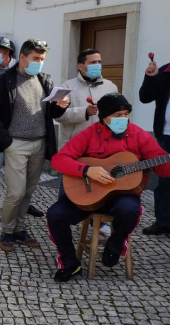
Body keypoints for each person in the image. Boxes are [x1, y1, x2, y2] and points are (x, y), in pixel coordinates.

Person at [47, 93, 170, 282]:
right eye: (118, 115)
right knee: (55, 214)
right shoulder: (90, 133)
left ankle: (116, 242)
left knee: (130, 209)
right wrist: (87, 170)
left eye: (126, 114)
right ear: (104, 118)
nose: (124, 119)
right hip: (90, 194)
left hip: (123, 195)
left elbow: (162, 166)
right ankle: (70, 263)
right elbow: (58, 160)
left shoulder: (139, 135)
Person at [0, 39, 70, 253]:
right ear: (22, 57)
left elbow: (52, 114)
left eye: (42, 59)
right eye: (35, 59)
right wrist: (7, 142)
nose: (39, 63)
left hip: (39, 143)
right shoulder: (5, 81)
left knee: (29, 191)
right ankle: (6, 231)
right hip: (16, 144)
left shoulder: (45, 80)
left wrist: (60, 107)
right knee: (16, 192)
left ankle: (20, 229)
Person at [0, 36, 43, 218]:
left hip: (23, 129)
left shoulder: (22, 68)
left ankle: (25, 203)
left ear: (8, 52)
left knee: (27, 172)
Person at [57, 48, 118, 236]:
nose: (97, 66)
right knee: (67, 188)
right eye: (92, 62)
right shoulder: (66, 87)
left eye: (99, 61)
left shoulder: (111, 87)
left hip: (101, 150)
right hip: (75, 148)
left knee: (99, 186)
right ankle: (60, 221)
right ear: (81, 66)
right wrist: (84, 112)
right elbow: (59, 116)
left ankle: (98, 221)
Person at [139, 58, 170, 236]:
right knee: (164, 182)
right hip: (165, 135)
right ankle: (164, 222)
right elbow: (145, 97)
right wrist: (149, 77)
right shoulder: (164, 72)